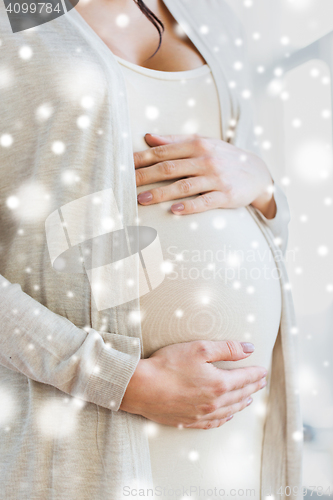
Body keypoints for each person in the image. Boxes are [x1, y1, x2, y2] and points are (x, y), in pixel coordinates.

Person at [0, 0, 303, 499]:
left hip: (238, 432)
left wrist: (263, 186)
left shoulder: (213, 15)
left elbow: (264, 223)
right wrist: (121, 380)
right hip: (87, 432)